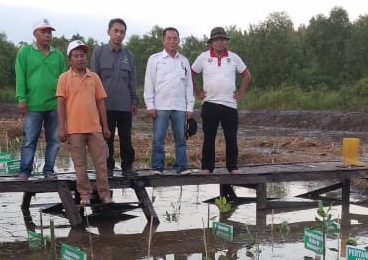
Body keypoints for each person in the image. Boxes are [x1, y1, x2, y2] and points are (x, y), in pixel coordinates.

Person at [56, 39, 113, 206]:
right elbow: (60, 104)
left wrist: (105, 126)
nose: (80, 58)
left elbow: (101, 102)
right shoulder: (64, 78)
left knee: (101, 164)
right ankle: (85, 194)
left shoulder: (94, 77)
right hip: (74, 129)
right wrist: (62, 128)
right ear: (70, 59)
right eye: (76, 56)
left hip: (94, 127)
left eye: (82, 55)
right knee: (80, 165)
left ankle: (104, 194)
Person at [191, 27, 251, 174]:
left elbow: (247, 75)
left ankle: (232, 167)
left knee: (231, 137)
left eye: (222, 40)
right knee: (209, 137)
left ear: (225, 41)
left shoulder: (234, 57)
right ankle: (207, 167)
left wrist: (241, 93)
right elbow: (191, 74)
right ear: (211, 42)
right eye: (216, 40)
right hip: (209, 104)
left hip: (229, 105)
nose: (219, 43)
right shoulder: (203, 57)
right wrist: (198, 92)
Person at [15, 19, 67, 180]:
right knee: (30, 139)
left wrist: (64, 102)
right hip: (33, 105)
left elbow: (64, 79)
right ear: (35, 34)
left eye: (49, 32)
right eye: (43, 32)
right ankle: (25, 171)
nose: (47, 35)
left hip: (54, 105)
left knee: (54, 140)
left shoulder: (57, 55)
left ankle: (49, 170)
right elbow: (20, 76)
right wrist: (22, 99)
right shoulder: (24, 52)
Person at [90, 18, 139, 177]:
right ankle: (107, 167)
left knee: (126, 137)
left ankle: (127, 166)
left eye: (122, 32)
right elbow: (94, 79)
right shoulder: (99, 52)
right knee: (106, 137)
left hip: (124, 105)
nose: (119, 34)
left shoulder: (129, 55)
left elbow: (133, 80)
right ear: (108, 32)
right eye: (115, 31)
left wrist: (134, 100)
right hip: (105, 105)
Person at [143, 27, 195, 174]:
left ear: (178, 40)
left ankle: (181, 166)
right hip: (160, 106)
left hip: (179, 106)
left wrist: (189, 107)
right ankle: (157, 167)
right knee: (158, 138)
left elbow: (188, 85)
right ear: (163, 40)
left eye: (175, 38)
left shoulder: (184, 61)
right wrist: (150, 105)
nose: (172, 41)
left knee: (181, 138)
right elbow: (149, 83)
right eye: (169, 38)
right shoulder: (155, 59)